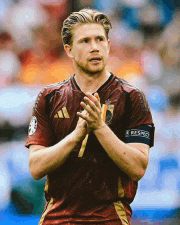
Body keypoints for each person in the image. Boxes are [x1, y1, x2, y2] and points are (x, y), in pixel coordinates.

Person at [25, 8, 155, 225]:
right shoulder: (49, 97)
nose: (95, 47)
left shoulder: (132, 97)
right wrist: (76, 136)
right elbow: (36, 168)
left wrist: (99, 128)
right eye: (85, 41)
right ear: (69, 50)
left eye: (100, 39)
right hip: (57, 218)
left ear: (108, 45)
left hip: (110, 219)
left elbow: (138, 167)